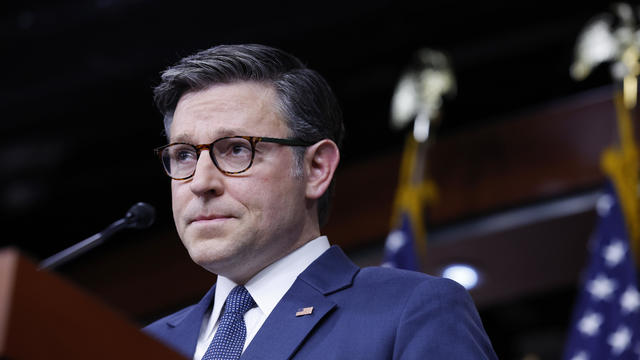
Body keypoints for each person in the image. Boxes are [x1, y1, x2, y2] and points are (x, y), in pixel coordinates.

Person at [143, 44, 498, 360]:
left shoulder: (409, 312)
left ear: (316, 168)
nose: (201, 183)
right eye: (184, 155)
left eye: (237, 149)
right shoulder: (142, 344)